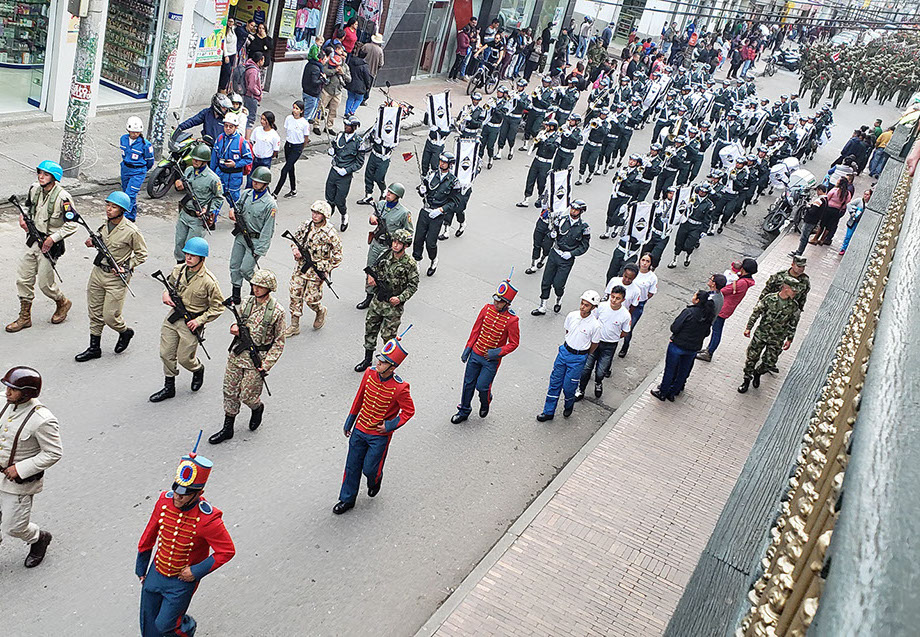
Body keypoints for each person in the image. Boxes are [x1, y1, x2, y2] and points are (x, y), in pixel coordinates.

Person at [136, 440, 236, 636]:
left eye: (184, 494)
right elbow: (149, 535)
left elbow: (227, 551)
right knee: (148, 620)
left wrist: (196, 572)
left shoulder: (208, 519)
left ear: (199, 493)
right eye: (176, 490)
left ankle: (187, 629)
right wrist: (141, 567)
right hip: (157, 571)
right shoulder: (164, 502)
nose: (177, 497)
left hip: (180, 581)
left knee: (165, 625)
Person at [335, 332, 415, 515]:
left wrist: (390, 426)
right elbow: (359, 398)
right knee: (352, 465)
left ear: (392, 367)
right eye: (379, 359)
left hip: (378, 436)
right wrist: (350, 421)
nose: (378, 363)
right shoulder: (369, 373)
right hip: (360, 428)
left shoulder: (400, 387)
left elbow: (409, 411)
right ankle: (347, 499)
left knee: (370, 468)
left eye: (383, 362)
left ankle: (375, 480)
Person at [210, 268, 285, 443]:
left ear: (269, 288)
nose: (256, 288)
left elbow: (279, 342)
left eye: (260, 286)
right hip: (238, 354)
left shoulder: (277, 311)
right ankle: (228, 427)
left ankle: (257, 408)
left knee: (248, 395)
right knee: (229, 390)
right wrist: (234, 327)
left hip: (257, 358)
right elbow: (239, 320)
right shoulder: (247, 302)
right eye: (254, 285)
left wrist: (266, 364)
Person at [74, 191, 148, 362]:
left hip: (116, 278)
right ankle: (94, 348)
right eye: (108, 205)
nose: (109, 209)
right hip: (98, 272)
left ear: (122, 210)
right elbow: (101, 242)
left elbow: (142, 254)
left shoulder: (131, 231)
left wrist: (126, 266)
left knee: (110, 316)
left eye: (114, 207)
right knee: (94, 312)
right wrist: (91, 242)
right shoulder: (104, 225)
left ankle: (125, 332)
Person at [0, 366, 62, 568]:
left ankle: (39, 538)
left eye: (13, 389)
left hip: (16, 482)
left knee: (14, 527)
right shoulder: (3, 400)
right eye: (7, 387)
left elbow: (53, 452)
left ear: (27, 393)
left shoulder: (42, 420)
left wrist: (20, 469)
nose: (8, 392)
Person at [149, 238, 225, 402]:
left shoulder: (209, 281)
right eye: (187, 254)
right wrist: (165, 294)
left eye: (193, 255)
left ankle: (197, 369)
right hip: (174, 316)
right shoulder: (178, 270)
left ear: (202, 258)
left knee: (185, 358)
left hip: (192, 322)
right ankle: (169, 387)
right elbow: (169, 285)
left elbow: (218, 307)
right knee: (166, 353)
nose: (188, 258)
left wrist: (199, 321)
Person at [6, 160, 76, 333]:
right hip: (32, 239)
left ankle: (62, 302)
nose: (41, 176)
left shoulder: (63, 198)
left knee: (45, 284)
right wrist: (23, 217)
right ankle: (25, 317)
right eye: (40, 173)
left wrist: (53, 238)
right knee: (23, 278)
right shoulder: (35, 189)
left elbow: (72, 224)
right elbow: (28, 206)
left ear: (54, 177)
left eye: (46, 174)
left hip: (49, 245)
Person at [451, 276, 521, 424]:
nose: (496, 303)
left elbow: (514, 343)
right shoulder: (486, 309)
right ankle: (464, 410)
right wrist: (468, 348)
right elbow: (476, 330)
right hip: (476, 353)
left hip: (491, 360)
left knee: (482, 386)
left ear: (507, 303)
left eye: (500, 301)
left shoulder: (512, 320)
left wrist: (497, 352)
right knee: (468, 383)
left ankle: (486, 400)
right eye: (495, 299)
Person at [356, 229, 419, 372]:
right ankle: (367, 359)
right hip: (378, 300)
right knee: (370, 329)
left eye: (399, 243)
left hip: (393, 305)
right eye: (394, 241)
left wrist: (400, 298)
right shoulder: (385, 254)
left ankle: (386, 366)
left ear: (405, 246)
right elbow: (373, 267)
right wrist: (371, 276)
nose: (395, 245)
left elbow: (413, 286)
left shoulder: (410, 264)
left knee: (388, 337)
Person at [537, 290, 602, 421]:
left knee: (569, 386)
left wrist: (583, 354)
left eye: (586, 305)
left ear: (593, 308)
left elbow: (594, 344)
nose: (583, 307)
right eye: (582, 303)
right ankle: (548, 412)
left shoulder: (595, 326)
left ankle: (569, 404)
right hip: (564, 352)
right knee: (555, 382)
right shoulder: (572, 316)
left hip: (578, 358)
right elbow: (568, 331)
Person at [285, 200, 343, 336]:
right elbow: (295, 239)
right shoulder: (306, 225)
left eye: (318, 213)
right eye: (313, 212)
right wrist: (295, 249)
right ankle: (294, 325)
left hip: (316, 271)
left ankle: (320, 310)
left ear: (324, 215)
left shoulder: (330, 233)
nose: (314, 215)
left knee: (311, 299)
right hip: (301, 267)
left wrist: (326, 268)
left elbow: (338, 255)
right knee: (294, 294)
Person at [738, 278, 801, 393]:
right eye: (793, 290)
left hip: (777, 338)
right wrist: (749, 327)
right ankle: (746, 380)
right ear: (786, 288)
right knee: (752, 358)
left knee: (769, 362)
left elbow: (793, 324)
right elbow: (756, 312)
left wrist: (790, 339)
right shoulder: (769, 299)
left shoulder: (793, 306)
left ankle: (758, 373)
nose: (795, 292)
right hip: (761, 334)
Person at [356, 183, 414, 309]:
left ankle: (381, 297)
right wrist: (372, 218)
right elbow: (374, 217)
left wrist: (399, 240)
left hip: (388, 247)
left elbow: (409, 232)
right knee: (370, 269)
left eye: (391, 193)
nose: (388, 194)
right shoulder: (381, 205)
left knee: (383, 273)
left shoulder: (404, 213)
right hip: (376, 243)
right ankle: (369, 296)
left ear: (397, 196)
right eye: (388, 192)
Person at [651, 290, 715, 401]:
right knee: (683, 372)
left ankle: (663, 392)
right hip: (693, 348)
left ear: (697, 300)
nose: (693, 296)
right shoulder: (708, 316)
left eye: (695, 295)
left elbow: (675, 327)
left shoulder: (688, 312)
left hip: (678, 345)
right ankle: (672, 393)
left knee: (670, 370)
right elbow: (706, 333)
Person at [532, 200, 591, 316]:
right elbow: (551, 233)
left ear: (581, 212)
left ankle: (559, 299)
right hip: (555, 253)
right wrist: (551, 235)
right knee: (546, 280)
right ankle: (542, 305)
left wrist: (572, 253)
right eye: (572, 208)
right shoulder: (561, 220)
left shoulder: (584, 227)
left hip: (567, 258)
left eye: (576, 210)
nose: (573, 211)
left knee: (558, 284)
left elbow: (584, 246)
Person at [227, 166, 275, 305]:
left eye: (259, 182)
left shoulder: (270, 204)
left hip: (255, 240)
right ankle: (235, 296)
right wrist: (233, 211)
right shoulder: (247, 194)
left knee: (246, 269)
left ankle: (258, 291)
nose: (255, 183)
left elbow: (268, 230)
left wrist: (260, 249)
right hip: (241, 235)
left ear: (265, 184)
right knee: (235, 265)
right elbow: (238, 207)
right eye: (254, 180)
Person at [576, 285, 630, 400]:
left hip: (609, 346)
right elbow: (592, 320)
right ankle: (581, 389)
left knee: (601, 371)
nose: (614, 300)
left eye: (618, 298)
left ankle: (598, 382)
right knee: (586, 368)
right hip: (595, 342)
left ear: (623, 300)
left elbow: (625, 332)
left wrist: (613, 337)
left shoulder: (625, 315)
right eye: (613, 297)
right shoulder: (601, 307)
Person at [697, 258, 757, 362]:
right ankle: (708, 349)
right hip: (725, 307)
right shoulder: (743, 280)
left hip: (723, 308)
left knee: (716, 331)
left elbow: (724, 290)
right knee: (716, 329)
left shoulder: (742, 283)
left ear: (744, 269)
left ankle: (709, 352)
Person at [414, 152, 461, 277]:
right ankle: (417, 261)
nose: (442, 164)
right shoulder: (431, 175)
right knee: (418, 239)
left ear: (450, 164)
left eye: (445, 162)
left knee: (430, 242)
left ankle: (433, 260)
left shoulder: (453, 181)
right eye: (441, 161)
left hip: (437, 214)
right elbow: (424, 189)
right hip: (426, 210)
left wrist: (441, 210)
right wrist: (421, 190)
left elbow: (455, 202)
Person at [174, 144, 223, 262]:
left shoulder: (213, 179)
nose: (195, 161)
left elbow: (218, 199)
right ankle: (179, 268)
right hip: (184, 214)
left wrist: (207, 209)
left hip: (197, 219)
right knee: (179, 245)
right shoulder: (189, 170)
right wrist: (179, 183)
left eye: (198, 160)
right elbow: (183, 183)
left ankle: (190, 270)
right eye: (194, 158)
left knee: (191, 248)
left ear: (205, 161)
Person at [325, 115, 367, 232]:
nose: (345, 127)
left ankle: (344, 215)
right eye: (345, 125)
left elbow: (359, 163)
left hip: (344, 175)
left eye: (348, 126)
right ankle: (326, 220)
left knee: (339, 200)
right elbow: (335, 147)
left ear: (354, 127)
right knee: (329, 198)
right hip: (334, 170)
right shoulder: (339, 136)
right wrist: (331, 151)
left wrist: (347, 170)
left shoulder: (358, 142)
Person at [210, 112, 252, 210]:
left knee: (235, 203)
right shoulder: (220, 138)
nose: (228, 128)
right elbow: (214, 158)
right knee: (216, 200)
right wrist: (212, 174)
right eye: (226, 126)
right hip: (220, 174)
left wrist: (235, 164)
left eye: (231, 126)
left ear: (236, 127)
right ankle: (212, 218)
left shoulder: (241, 142)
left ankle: (237, 217)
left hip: (234, 177)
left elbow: (248, 159)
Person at [619, 254, 657, 358]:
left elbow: (651, 292)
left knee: (629, 327)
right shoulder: (633, 271)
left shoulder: (652, 277)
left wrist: (643, 299)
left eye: (647, 261)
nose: (644, 263)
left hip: (638, 305)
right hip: (626, 300)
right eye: (643, 260)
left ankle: (625, 345)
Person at [272, 101, 310, 198]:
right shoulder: (289, 118)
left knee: (284, 170)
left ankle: (275, 193)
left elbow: (306, 138)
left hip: (297, 147)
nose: (294, 110)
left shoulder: (304, 123)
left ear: (301, 111)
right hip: (288, 145)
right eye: (294, 108)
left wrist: (301, 148)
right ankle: (293, 189)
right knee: (290, 168)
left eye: (297, 109)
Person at [119, 117, 154, 221]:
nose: (135, 134)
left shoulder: (145, 144)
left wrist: (142, 170)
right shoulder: (123, 139)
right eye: (133, 132)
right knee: (126, 192)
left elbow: (150, 161)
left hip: (138, 171)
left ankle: (123, 219)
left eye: (137, 132)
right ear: (128, 130)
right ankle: (131, 217)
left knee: (129, 195)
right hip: (125, 169)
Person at [318, 46, 351, 134]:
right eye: (341, 55)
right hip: (327, 89)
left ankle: (329, 127)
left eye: (344, 56)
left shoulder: (346, 67)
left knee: (333, 111)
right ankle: (316, 125)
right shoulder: (330, 63)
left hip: (338, 91)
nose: (343, 57)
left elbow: (349, 79)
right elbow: (324, 70)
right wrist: (335, 71)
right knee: (320, 108)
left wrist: (343, 73)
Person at [811, 177, 851, 246]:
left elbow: (827, 198)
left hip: (828, 209)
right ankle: (822, 240)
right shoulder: (847, 194)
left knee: (822, 225)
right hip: (837, 211)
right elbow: (846, 204)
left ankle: (815, 239)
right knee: (829, 226)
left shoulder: (835, 190)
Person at [248, 110, 280, 189]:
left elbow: (275, 151)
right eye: (261, 119)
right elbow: (252, 142)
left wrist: (268, 156)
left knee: (261, 182)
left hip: (265, 160)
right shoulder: (257, 130)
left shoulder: (274, 135)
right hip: (255, 158)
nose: (262, 121)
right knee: (250, 180)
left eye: (264, 120)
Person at [793, 184, 827, 256]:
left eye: (817, 191)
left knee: (804, 237)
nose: (817, 193)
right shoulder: (825, 200)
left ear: (820, 190)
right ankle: (799, 251)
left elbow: (812, 211)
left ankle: (799, 252)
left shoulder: (820, 200)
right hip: (814, 221)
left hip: (810, 221)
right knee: (805, 237)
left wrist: (808, 207)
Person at [241, 52, 266, 139]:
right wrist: (258, 93)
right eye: (263, 60)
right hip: (251, 97)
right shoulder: (253, 71)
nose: (264, 62)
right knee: (250, 119)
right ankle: (247, 139)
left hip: (248, 96)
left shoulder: (251, 68)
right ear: (260, 60)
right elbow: (251, 86)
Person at [840, 189, 871, 255]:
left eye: (867, 195)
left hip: (862, 222)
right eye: (865, 194)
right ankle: (843, 248)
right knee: (848, 236)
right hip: (854, 221)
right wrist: (852, 212)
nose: (865, 196)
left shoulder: (870, 204)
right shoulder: (859, 200)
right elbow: (849, 204)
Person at [301, 48, 326, 122]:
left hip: (306, 91)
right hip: (311, 94)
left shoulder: (309, 64)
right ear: (321, 59)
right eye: (324, 59)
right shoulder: (316, 68)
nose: (326, 61)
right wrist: (323, 79)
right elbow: (314, 82)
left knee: (306, 111)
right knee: (307, 114)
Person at [345, 52, 373, 117]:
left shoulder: (351, 61)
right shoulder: (365, 66)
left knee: (350, 98)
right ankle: (352, 111)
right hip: (360, 86)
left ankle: (347, 111)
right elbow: (367, 78)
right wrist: (368, 86)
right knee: (359, 99)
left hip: (351, 83)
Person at [219, 19, 238, 93]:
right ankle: (222, 88)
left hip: (233, 53)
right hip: (227, 54)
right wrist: (226, 55)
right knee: (226, 71)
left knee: (229, 72)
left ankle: (225, 88)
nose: (230, 23)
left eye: (232, 22)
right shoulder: (224, 30)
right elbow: (223, 44)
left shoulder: (233, 30)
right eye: (229, 21)